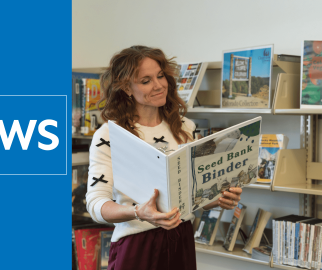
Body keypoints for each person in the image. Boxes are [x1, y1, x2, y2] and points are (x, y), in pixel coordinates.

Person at [85, 45, 242, 270]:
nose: (158, 85)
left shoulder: (185, 128)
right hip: (137, 244)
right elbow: (96, 205)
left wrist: (216, 199)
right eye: (146, 80)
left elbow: (191, 194)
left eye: (160, 76)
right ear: (127, 88)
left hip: (181, 240)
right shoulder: (109, 135)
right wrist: (138, 212)